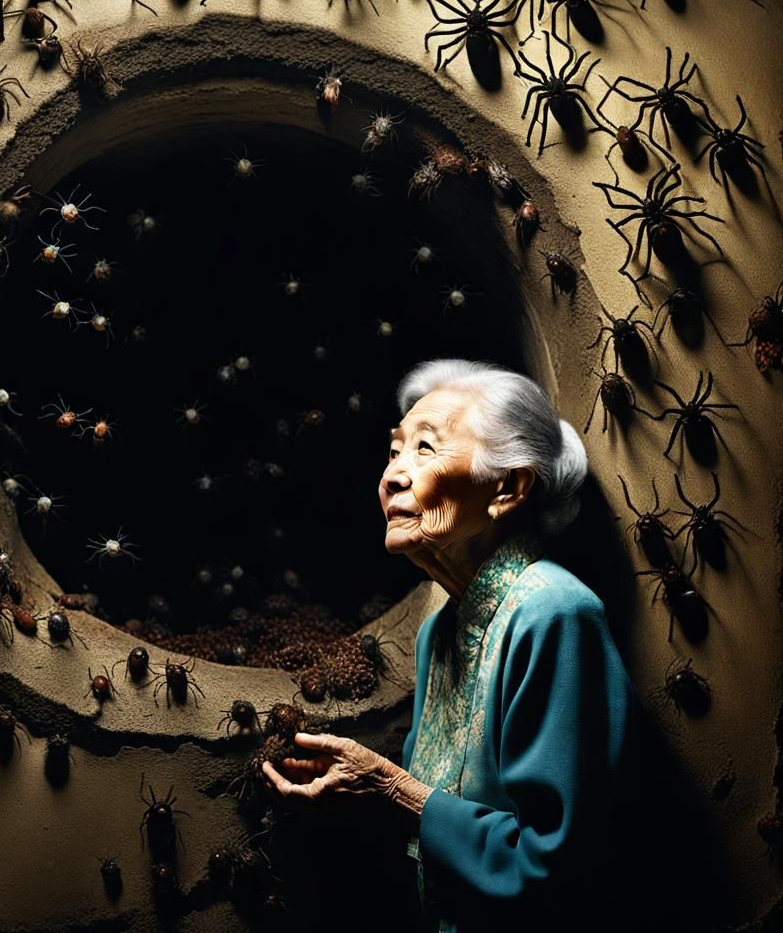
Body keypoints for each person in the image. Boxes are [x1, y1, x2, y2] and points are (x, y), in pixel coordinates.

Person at [262, 358, 638, 932]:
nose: (392, 476)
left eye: (425, 448)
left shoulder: (555, 614)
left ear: (507, 488)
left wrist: (391, 788)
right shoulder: (438, 633)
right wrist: (358, 796)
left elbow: (556, 865)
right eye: (394, 452)